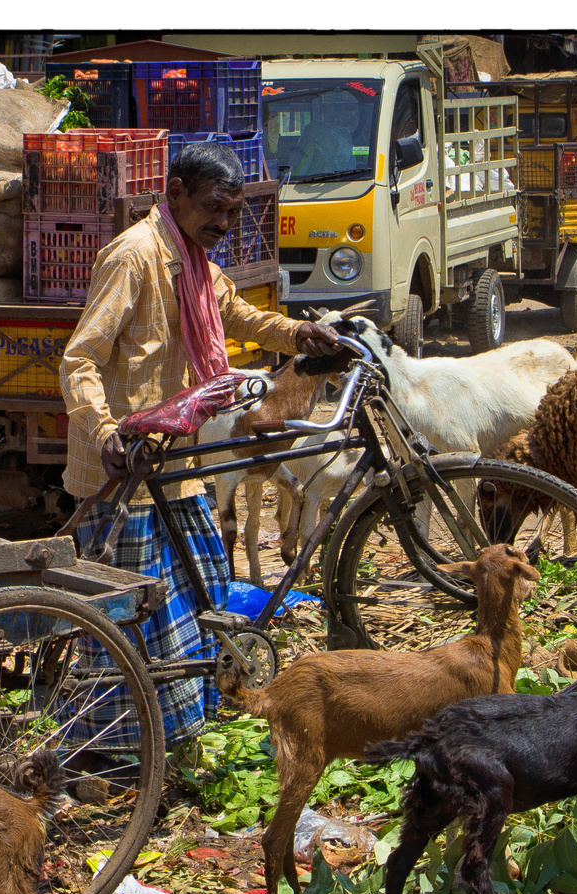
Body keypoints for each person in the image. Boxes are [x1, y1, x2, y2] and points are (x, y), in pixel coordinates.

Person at [59, 141, 339, 750]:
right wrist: (105, 432)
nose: (225, 223)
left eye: (235, 212)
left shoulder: (193, 262)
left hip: (176, 467)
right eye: (215, 207)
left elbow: (238, 315)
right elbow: (79, 358)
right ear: (176, 192)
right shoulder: (134, 257)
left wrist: (300, 333)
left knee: (204, 590)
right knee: (130, 623)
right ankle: (113, 752)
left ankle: (180, 735)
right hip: (124, 472)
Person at [296, 91, 361, 176]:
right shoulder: (316, 132)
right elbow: (297, 174)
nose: (352, 117)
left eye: (355, 113)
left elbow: (351, 173)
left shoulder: (347, 138)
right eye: (347, 110)